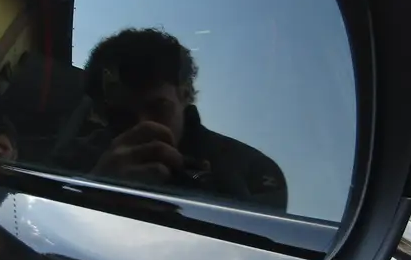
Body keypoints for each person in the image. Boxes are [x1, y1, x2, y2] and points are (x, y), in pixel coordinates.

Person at [58, 28, 288, 210]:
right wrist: (99, 187)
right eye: (121, 116)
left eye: (159, 108)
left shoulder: (252, 173)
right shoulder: (73, 158)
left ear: (185, 95)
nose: (143, 125)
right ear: (100, 114)